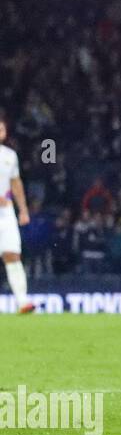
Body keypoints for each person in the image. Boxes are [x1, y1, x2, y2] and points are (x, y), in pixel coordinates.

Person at [0, 113, 35, 314]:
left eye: (1, 129)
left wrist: (23, 210)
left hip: (5, 212)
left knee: (12, 254)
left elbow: (15, 183)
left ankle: (23, 302)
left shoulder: (10, 156)